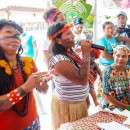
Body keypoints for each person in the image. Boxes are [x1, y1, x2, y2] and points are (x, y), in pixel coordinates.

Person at [0, 19, 52, 130]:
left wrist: (43, 85)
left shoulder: (28, 61)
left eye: (18, 34)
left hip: (33, 121)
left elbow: (43, 91)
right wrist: (25, 88)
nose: (15, 36)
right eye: (8, 32)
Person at [47, 21, 91, 129]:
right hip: (69, 108)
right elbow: (82, 80)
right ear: (58, 40)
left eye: (71, 32)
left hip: (78, 104)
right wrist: (86, 54)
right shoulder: (58, 60)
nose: (72, 35)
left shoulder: (70, 51)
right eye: (68, 34)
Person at [101, 45, 130, 111]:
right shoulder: (107, 71)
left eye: (124, 56)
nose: (120, 59)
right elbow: (106, 94)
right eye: (118, 55)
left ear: (128, 57)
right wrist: (127, 107)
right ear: (113, 55)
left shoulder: (129, 69)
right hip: (112, 108)